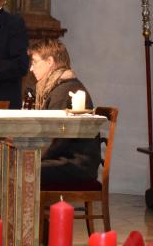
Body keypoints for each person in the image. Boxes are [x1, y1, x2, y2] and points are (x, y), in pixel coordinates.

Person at [29, 39, 101, 184]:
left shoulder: (63, 92)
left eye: (34, 62)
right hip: (63, 158)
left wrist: (28, 156)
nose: (31, 68)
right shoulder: (58, 87)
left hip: (75, 164)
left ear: (49, 62)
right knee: (14, 168)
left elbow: (56, 139)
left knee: (17, 170)